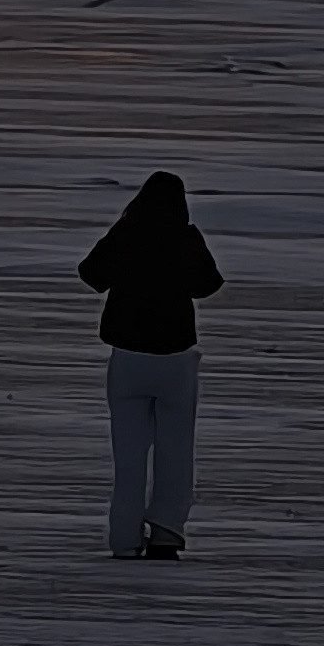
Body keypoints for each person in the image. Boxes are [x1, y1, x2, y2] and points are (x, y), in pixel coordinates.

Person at [78, 170, 223, 561]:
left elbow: (90, 274)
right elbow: (208, 284)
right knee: (176, 452)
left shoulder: (127, 235)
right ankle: (166, 535)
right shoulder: (184, 238)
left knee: (128, 456)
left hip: (127, 360)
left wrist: (122, 238)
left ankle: (124, 538)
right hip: (175, 360)